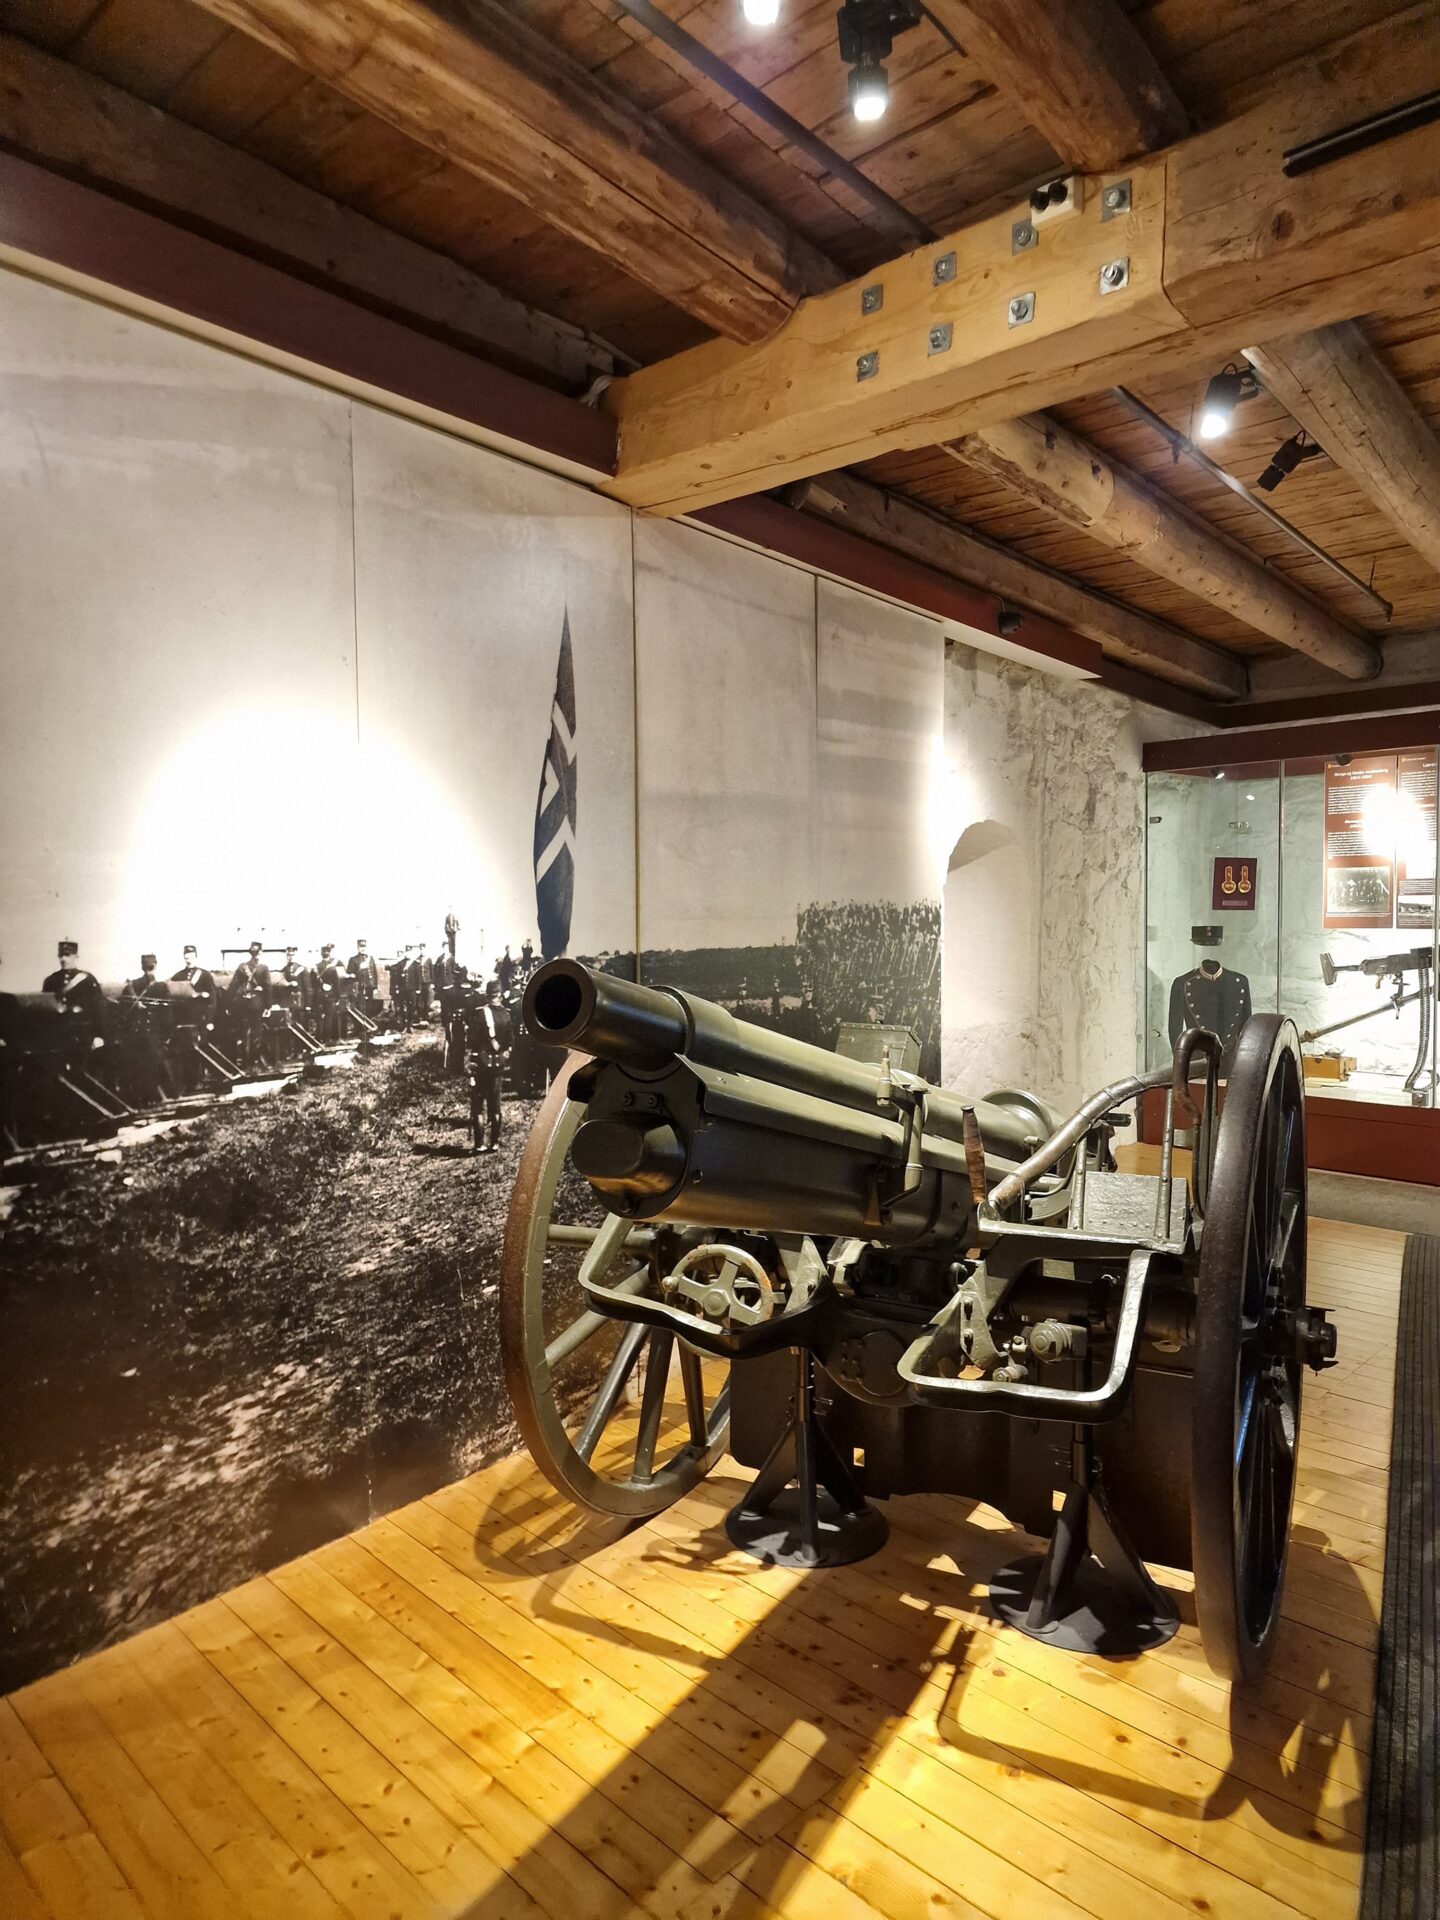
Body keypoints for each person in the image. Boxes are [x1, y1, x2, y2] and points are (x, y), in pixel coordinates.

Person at [464, 979, 512, 1153]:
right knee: (495, 1105)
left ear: (487, 995)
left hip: (481, 1065)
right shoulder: (506, 1014)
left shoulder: (480, 1014)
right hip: (498, 1065)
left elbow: (471, 1040)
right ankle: (495, 1143)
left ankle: (480, 1144)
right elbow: (510, 1042)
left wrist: (470, 1061)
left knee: (478, 1105)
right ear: (500, 995)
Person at [226, 940, 271, 1070]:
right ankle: (254, 1062)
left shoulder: (242, 967)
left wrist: (229, 1005)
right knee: (256, 1034)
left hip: (242, 1005)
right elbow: (268, 988)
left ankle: (244, 1062)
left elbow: (232, 987)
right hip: (257, 1005)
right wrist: (268, 1006)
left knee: (243, 1033)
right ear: (260, 953)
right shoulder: (264, 968)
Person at [347, 938, 378, 1018]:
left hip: (370, 987)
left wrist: (375, 987)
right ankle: (360, 1024)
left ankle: (368, 1022)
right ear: (357, 947)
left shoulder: (370, 958)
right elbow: (350, 975)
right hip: (360, 987)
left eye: (364, 947)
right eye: (361, 947)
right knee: (361, 1008)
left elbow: (374, 973)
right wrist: (360, 968)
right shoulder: (353, 959)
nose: (363, 949)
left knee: (369, 1006)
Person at [410, 942, 432, 1024]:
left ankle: (425, 1016)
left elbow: (431, 971)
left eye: (423, 949)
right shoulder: (417, 959)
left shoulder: (428, 959)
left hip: (426, 982)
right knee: (419, 1000)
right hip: (419, 982)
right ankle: (419, 1016)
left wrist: (432, 982)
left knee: (426, 1000)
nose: (422, 951)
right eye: (421, 949)